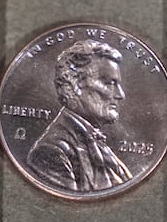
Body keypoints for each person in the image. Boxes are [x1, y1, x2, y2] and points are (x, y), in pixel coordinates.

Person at [27, 39, 132, 192]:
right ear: (75, 84)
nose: (120, 95)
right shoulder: (52, 151)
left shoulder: (95, 141)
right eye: (109, 83)